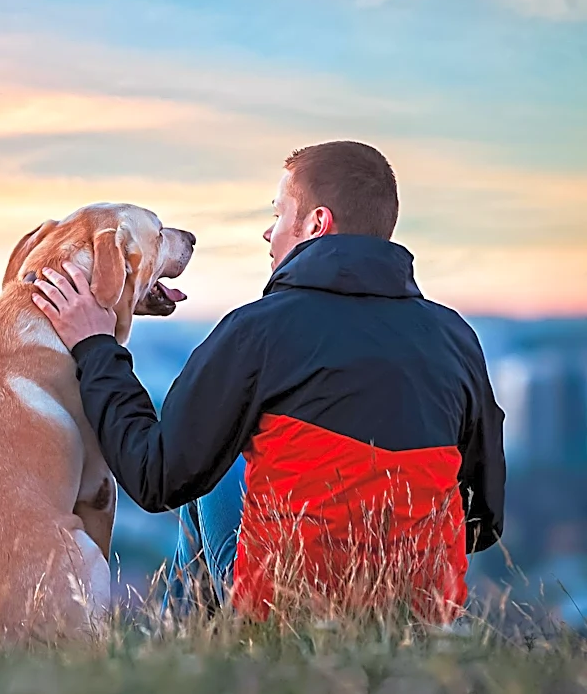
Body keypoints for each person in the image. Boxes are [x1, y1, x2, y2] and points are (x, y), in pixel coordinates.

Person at [30, 140, 506, 624]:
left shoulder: (256, 331)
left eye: (279, 213)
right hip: (422, 615)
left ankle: (189, 657)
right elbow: (482, 522)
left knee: (208, 475)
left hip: (287, 610)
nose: (268, 232)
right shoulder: (456, 340)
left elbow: (155, 477)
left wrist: (95, 346)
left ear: (316, 224)